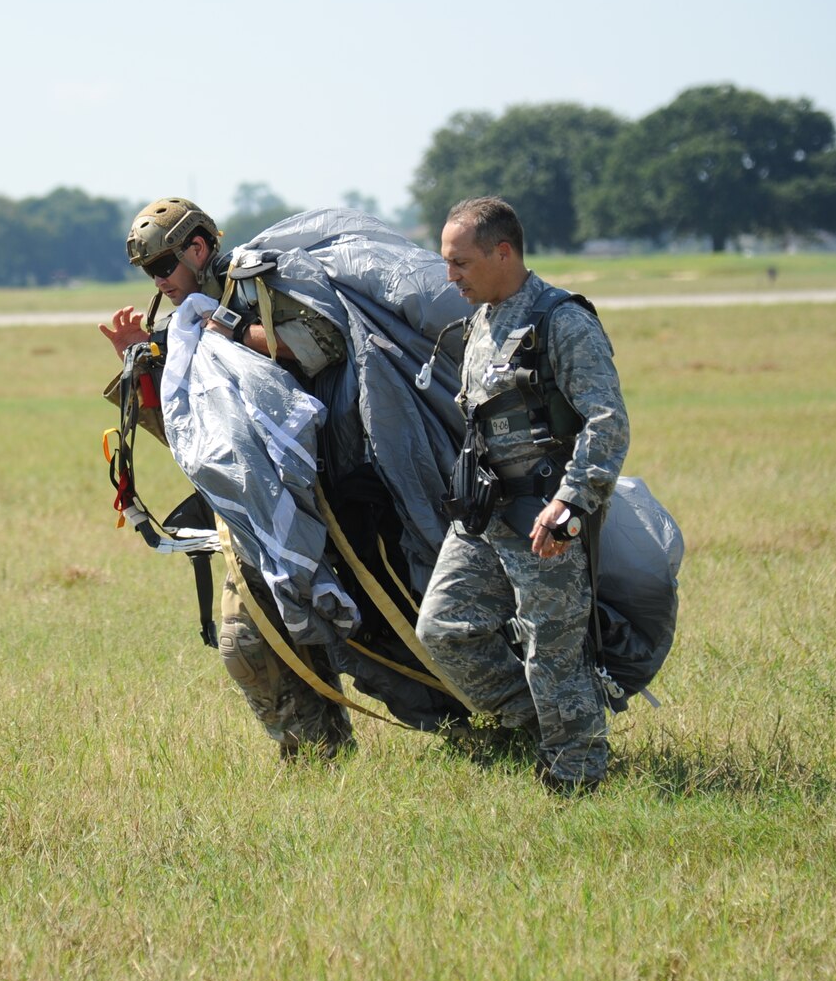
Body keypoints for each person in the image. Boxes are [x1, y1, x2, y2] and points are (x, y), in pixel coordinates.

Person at [99, 197, 357, 758]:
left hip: (331, 479)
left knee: (377, 623)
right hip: (253, 501)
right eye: (149, 272)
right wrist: (138, 369)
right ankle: (315, 753)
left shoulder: (256, 282)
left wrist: (232, 334)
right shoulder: (170, 325)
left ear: (198, 248)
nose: (159, 280)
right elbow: (193, 438)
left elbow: (325, 344)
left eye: (164, 265)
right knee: (247, 642)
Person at [414, 196, 629, 794]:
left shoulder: (561, 320)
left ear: (502, 253)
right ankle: (541, 723)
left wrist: (571, 505)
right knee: (443, 629)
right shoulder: (479, 321)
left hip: (546, 518)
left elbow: (607, 421)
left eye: (460, 262)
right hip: (486, 516)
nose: (450, 275)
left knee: (553, 652)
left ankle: (578, 780)